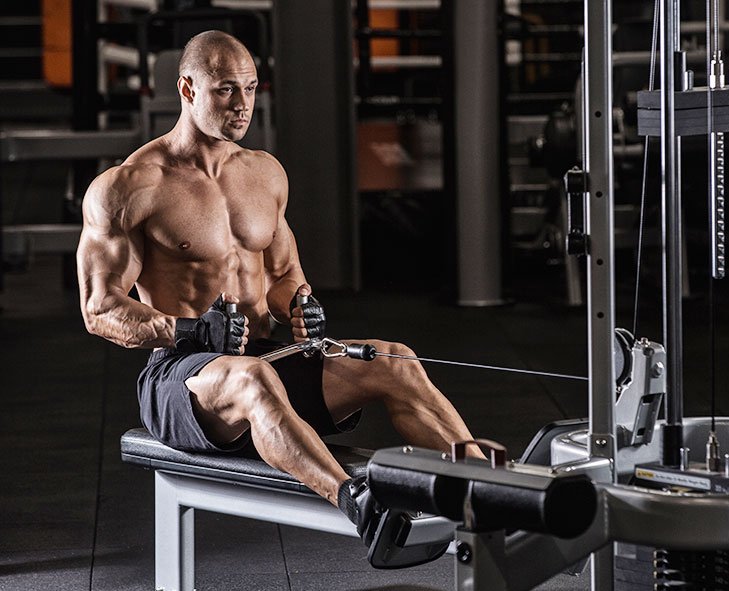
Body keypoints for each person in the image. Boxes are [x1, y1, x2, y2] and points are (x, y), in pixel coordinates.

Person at [76, 30, 481, 549]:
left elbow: (284, 276)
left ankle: (491, 485)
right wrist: (188, 330)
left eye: (250, 88)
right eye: (226, 89)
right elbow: (99, 309)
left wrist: (299, 306)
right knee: (254, 378)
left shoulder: (263, 174)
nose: (242, 104)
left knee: (394, 360)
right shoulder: (128, 187)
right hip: (181, 376)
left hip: (266, 355)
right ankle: (358, 505)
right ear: (187, 89)